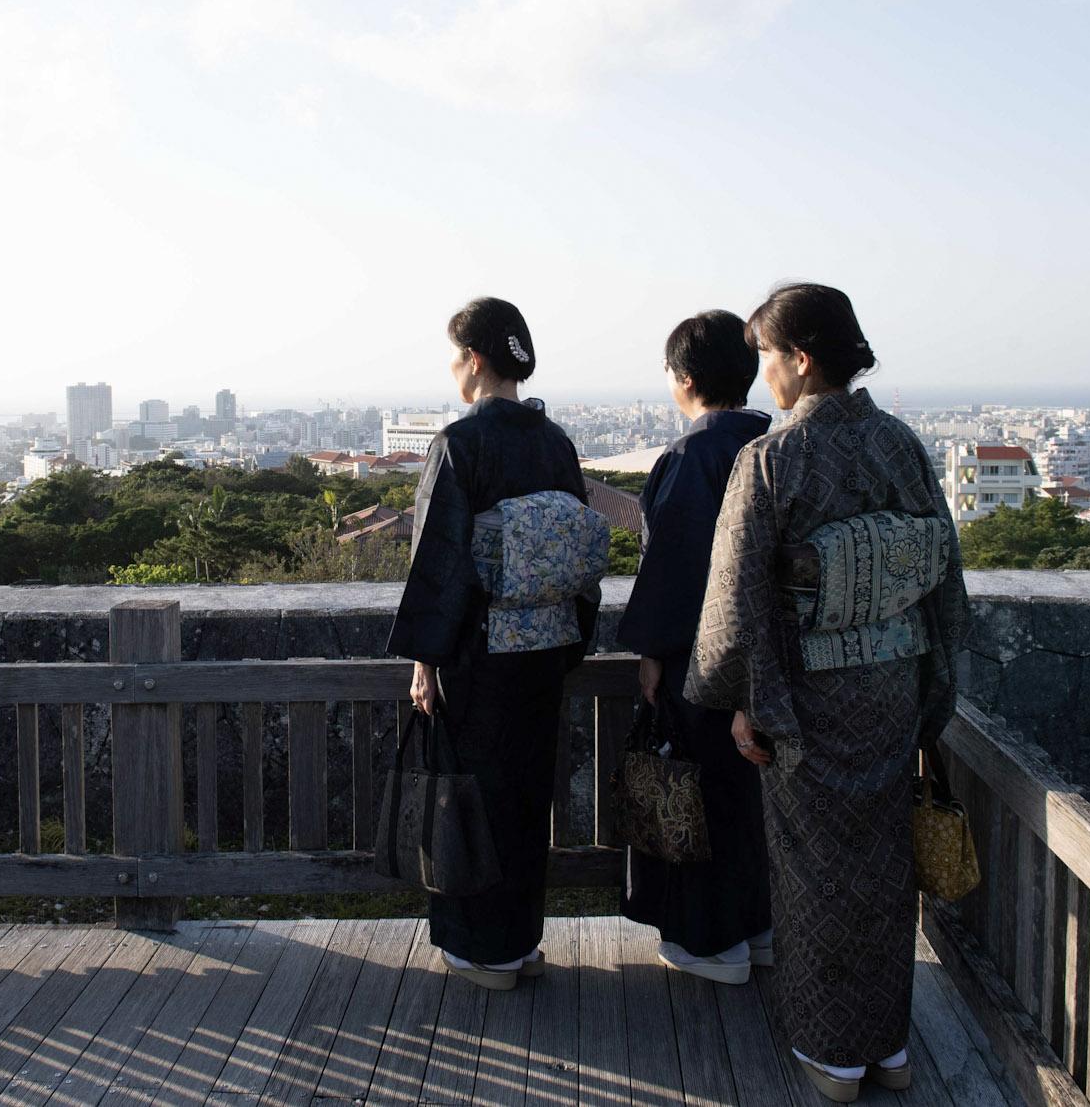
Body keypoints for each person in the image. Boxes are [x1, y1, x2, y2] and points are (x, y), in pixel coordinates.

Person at [687, 283, 969, 1104]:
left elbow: (736, 601)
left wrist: (742, 695)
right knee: (885, 871)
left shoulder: (773, 460)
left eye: (767, 356)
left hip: (803, 702)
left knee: (815, 873)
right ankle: (889, 1046)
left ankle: (834, 1053)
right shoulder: (903, 446)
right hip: (889, 690)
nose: (762, 373)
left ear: (801, 360)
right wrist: (929, 684)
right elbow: (942, 580)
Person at [387, 296, 601, 992]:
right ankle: (521, 938)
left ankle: (485, 950)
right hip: (544, 647)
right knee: (527, 793)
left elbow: (440, 563)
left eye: (455, 357)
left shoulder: (459, 444)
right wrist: (567, 632)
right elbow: (576, 553)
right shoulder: (555, 442)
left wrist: (426, 662)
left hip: (477, 654)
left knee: (471, 796)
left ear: (474, 359)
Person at [616, 311, 775, 984]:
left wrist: (651, 648)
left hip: (707, 662)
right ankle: (759, 927)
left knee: (701, 793)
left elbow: (676, 568)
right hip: (783, 661)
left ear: (684, 378)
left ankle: (712, 943)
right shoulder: (775, 440)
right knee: (757, 803)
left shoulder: (693, 455)